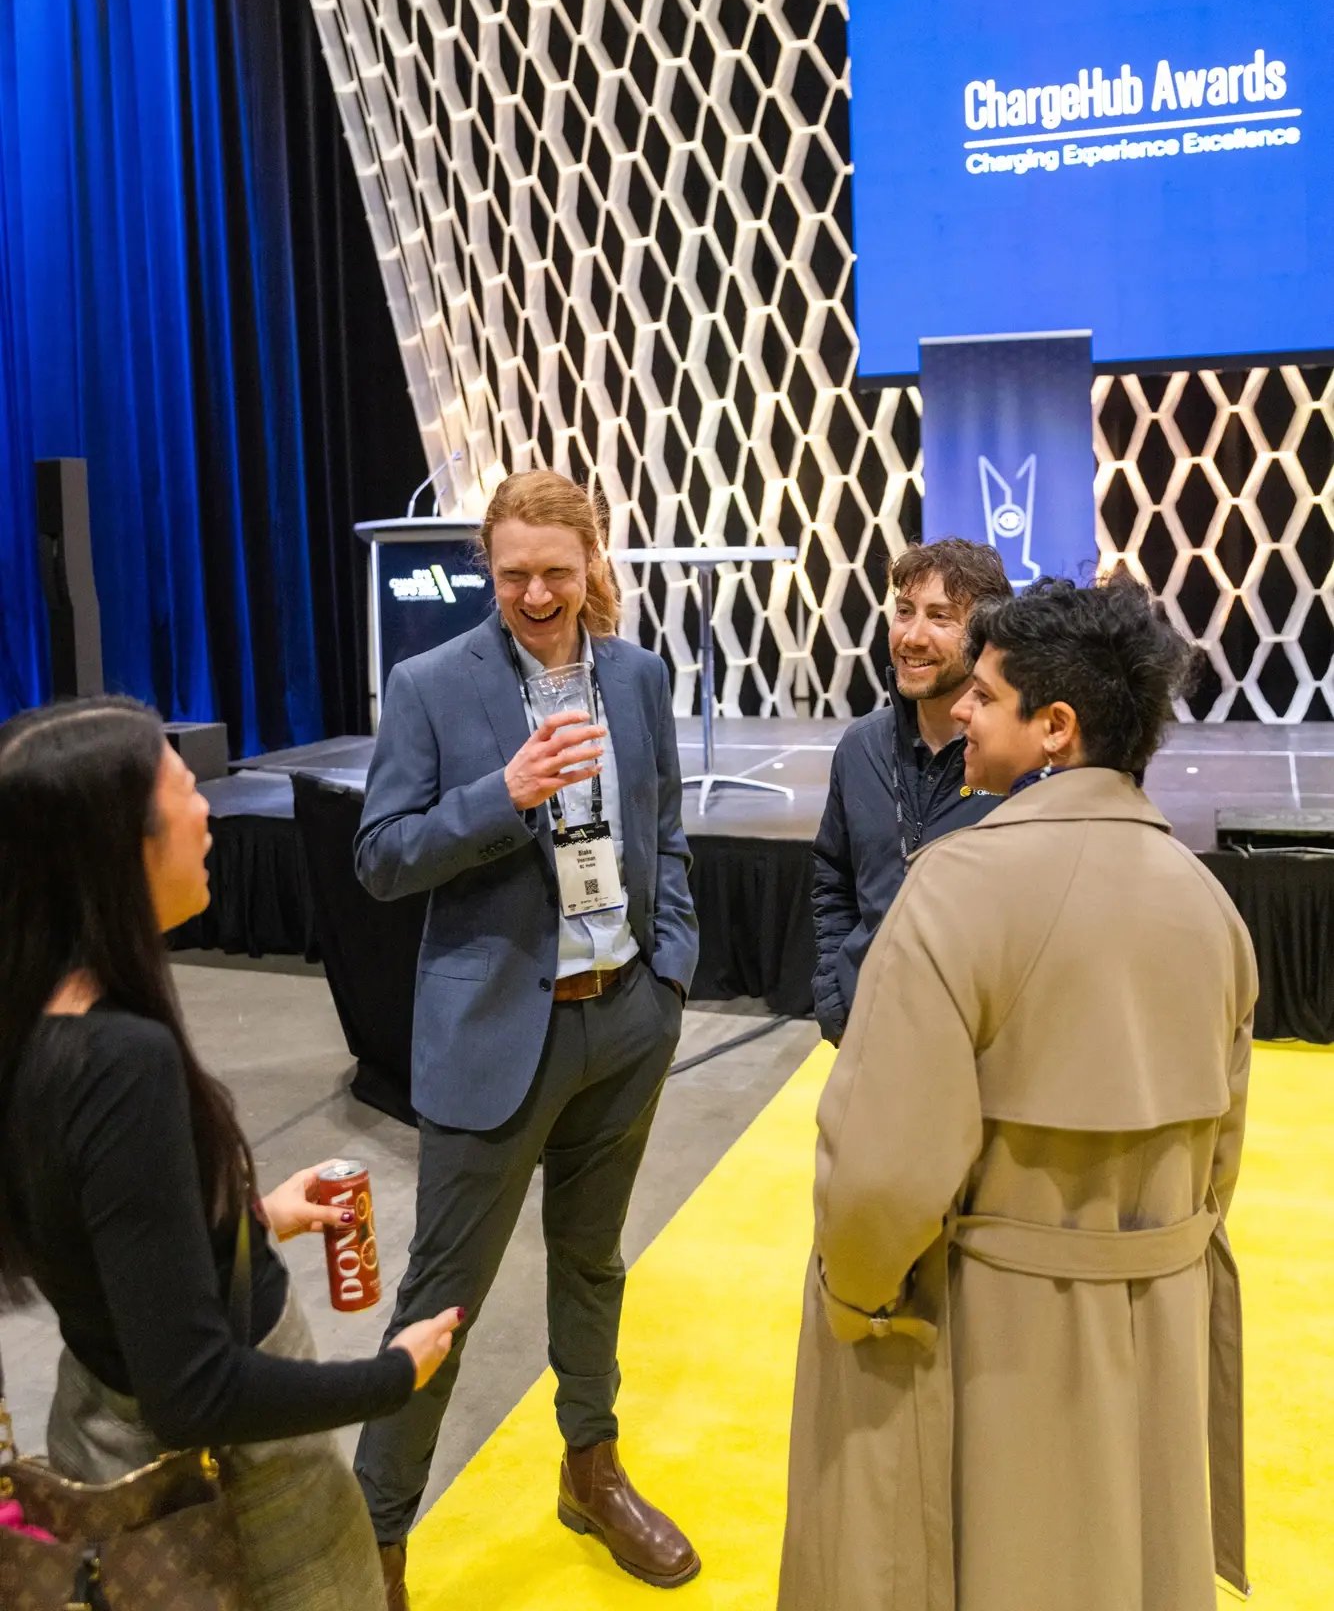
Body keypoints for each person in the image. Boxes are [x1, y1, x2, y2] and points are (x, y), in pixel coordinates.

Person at [780, 577, 1258, 1611]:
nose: (959, 708)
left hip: (987, 1345)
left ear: (1054, 727)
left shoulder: (954, 886)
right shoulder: (1210, 905)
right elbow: (1218, 1156)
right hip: (1155, 1332)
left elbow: (877, 1176)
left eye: (984, 696)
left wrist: (859, 1298)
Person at [0, 697, 462, 1611]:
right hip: (230, 1494)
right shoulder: (122, 1063)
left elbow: (97, 1243)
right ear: (117, 845)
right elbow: (194, 1391)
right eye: (184, 794)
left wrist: (241, 1220)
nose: (210, 809)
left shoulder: (36, 1020)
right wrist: (391, 1375)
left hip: (96, 1420)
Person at [353, 469, 700, 1607]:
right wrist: (498, 795)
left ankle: (588, 1466)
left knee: (593, 1261)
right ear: (484, 566)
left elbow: (666, 829)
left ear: (593, 559)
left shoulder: (638, 675)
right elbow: (382, 856)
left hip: (622, 1021)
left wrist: (667, 976)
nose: (536, 593)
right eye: (512, 574)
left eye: (557, 570)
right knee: (438, 1298)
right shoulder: (430, 684)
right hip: (494, 1034)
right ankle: (374, 1540)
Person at [811, 539, 1012, 1043]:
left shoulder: (1017, 763)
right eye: (904, 611)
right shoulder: (861, 746)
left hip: (979, 1050)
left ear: (983, 634)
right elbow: (833, 880)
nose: (912, 636)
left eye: (940, 617)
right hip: (867, 1033)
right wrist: (838, 996)